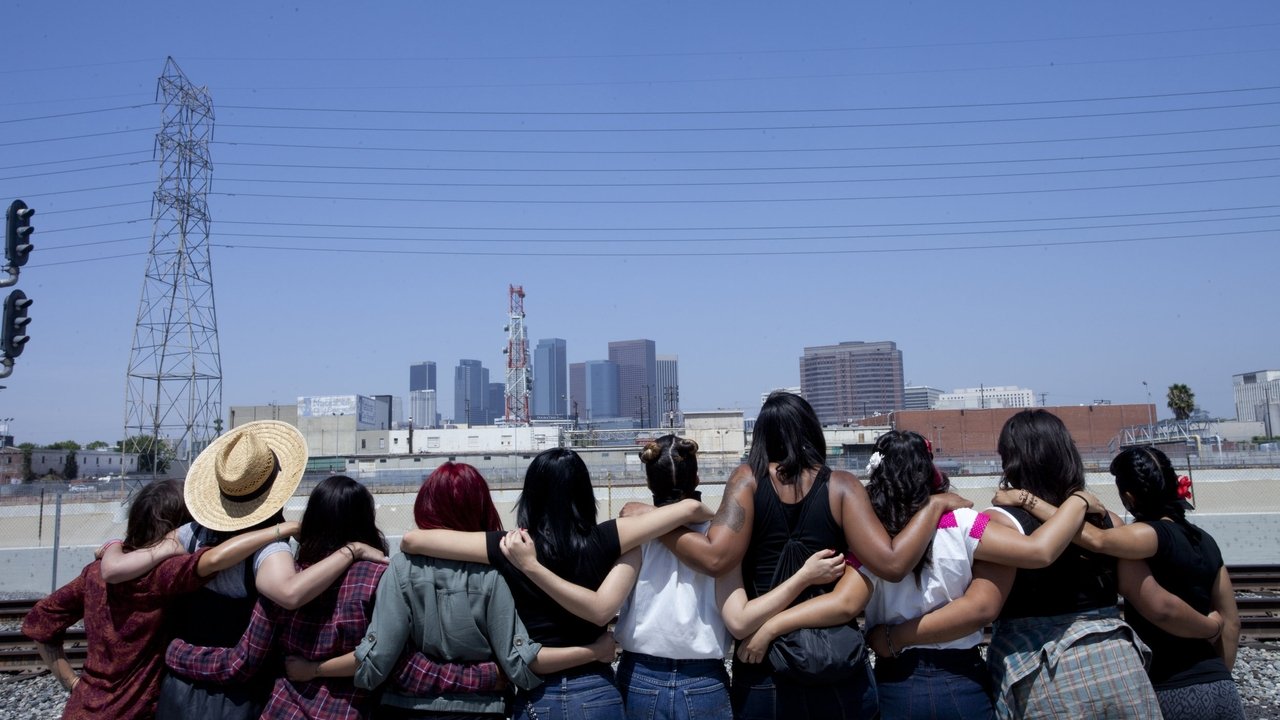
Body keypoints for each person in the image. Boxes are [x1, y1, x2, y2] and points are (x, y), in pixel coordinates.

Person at [656, 392, 972, 720]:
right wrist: (934, 505)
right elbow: (892, 564)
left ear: (761, 435)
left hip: (764, 667)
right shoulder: (842, 487)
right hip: (837, 665)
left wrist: (656, 523)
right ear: (812, 429)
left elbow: (715, 557)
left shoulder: (746, 480)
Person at [497, 435, 848, 720]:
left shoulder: (631, 536)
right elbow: (738, 617)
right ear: (696, 478)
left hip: (640, 676)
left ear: (648, 481)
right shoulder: (722, 538)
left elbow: (605, 603)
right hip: (704, 677)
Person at [884, 409, 1168, 719]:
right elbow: (1151, 600)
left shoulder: (998, 523)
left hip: (1041, 674)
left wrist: (895, 636)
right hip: (1119, 666)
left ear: (1010, 461)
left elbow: (981, 606)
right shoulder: (1106, 521)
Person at [98, 421, 388, 720]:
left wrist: (112, 545)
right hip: (236, 698)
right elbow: (290, 594)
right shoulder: (271, 551)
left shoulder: (191, 534)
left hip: (179, 689)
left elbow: (114, 570)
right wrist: (351, 550)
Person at [399, 447, 714, 720]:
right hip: (597, 689)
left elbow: (413, 540)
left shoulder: (510, 546)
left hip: (538, 691)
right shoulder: (609, 536)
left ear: (531, 494)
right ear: (583, 491)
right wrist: (642, 512)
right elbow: (691, 509)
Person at [288, 462, 619, 719]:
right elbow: (519, 663)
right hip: (483, 710)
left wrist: (313, 670)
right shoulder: (498, 567)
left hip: (405, 708)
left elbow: (375, 663)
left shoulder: (402, 566)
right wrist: (595, 649)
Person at [855, 430, 1103, 720]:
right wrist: (1077, 502)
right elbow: (1038, 551)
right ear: (928, 470)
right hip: (959, 679)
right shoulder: (962, 522)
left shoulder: (867, 533)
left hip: (893, 680)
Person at [994, 446, 1244, 719]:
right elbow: (1232, 622)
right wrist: (1219, 672)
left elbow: (1095, 538)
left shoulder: (1148, 535)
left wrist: (1028, 500)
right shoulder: (1206, 540)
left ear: (1129, 497)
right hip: (1222, 686)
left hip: (1171, 686)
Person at [21, 478, 299, 720]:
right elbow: (215, 558)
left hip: (81, 708)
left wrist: (73, 683)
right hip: (134, 712)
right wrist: (280, 530)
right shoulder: (165, 576)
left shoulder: (94, 573)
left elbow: (40, 621)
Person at [161, 475, 394, 719]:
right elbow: (381, 656)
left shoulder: (281, 572)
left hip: (286, 708)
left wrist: (174, 652)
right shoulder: (379, 577)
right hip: (350, 709)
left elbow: (242, 661)